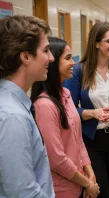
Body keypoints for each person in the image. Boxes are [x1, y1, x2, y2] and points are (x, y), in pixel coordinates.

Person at [64, 22, 109, 198]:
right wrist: (91, 113)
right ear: (96, 43)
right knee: (100, 191)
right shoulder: (80, 70)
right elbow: (68, 108)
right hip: (90, 141)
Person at [31, 37, 100, 198]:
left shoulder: (66, 94)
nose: (73, 63)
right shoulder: (45, 105)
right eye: (68, 58)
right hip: (62, 189)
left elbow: (78, 140)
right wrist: (86, 183)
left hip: (79, 182)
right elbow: (56, 159)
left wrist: (90, 175)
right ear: (53, 63)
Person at [0, 15, 55, 197]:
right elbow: (23, 192)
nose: (51, 58)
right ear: (25, 56)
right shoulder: (13, 117)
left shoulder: (11, 103)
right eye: (46, 51)